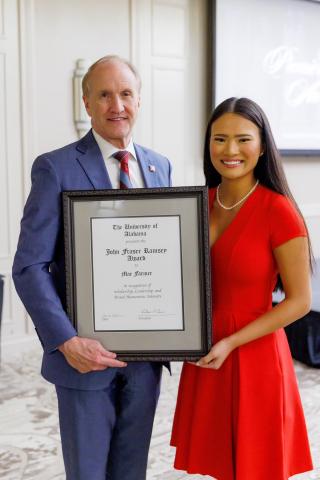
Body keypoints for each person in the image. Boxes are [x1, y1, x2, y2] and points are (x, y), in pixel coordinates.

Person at [12, 55, 172, 480]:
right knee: (87, 473)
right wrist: (66, 341)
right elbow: (29, 266)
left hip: (145, 360)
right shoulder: (56, 167)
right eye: (104, 95)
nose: (116, 105)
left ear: (139, 100)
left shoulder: (160, 166)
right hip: (83, 358)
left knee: (131, 470)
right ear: (86, 103)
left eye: (125, 94)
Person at [170, 97, 313, 480]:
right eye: (219, 139)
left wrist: (232, 342)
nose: (230, 150)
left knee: (256, 466)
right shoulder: (196, 204)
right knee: (220, 463)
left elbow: (300, 302)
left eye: (242, 139)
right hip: (206, 348)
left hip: (254, 355)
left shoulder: (279, 210)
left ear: (263, 145)